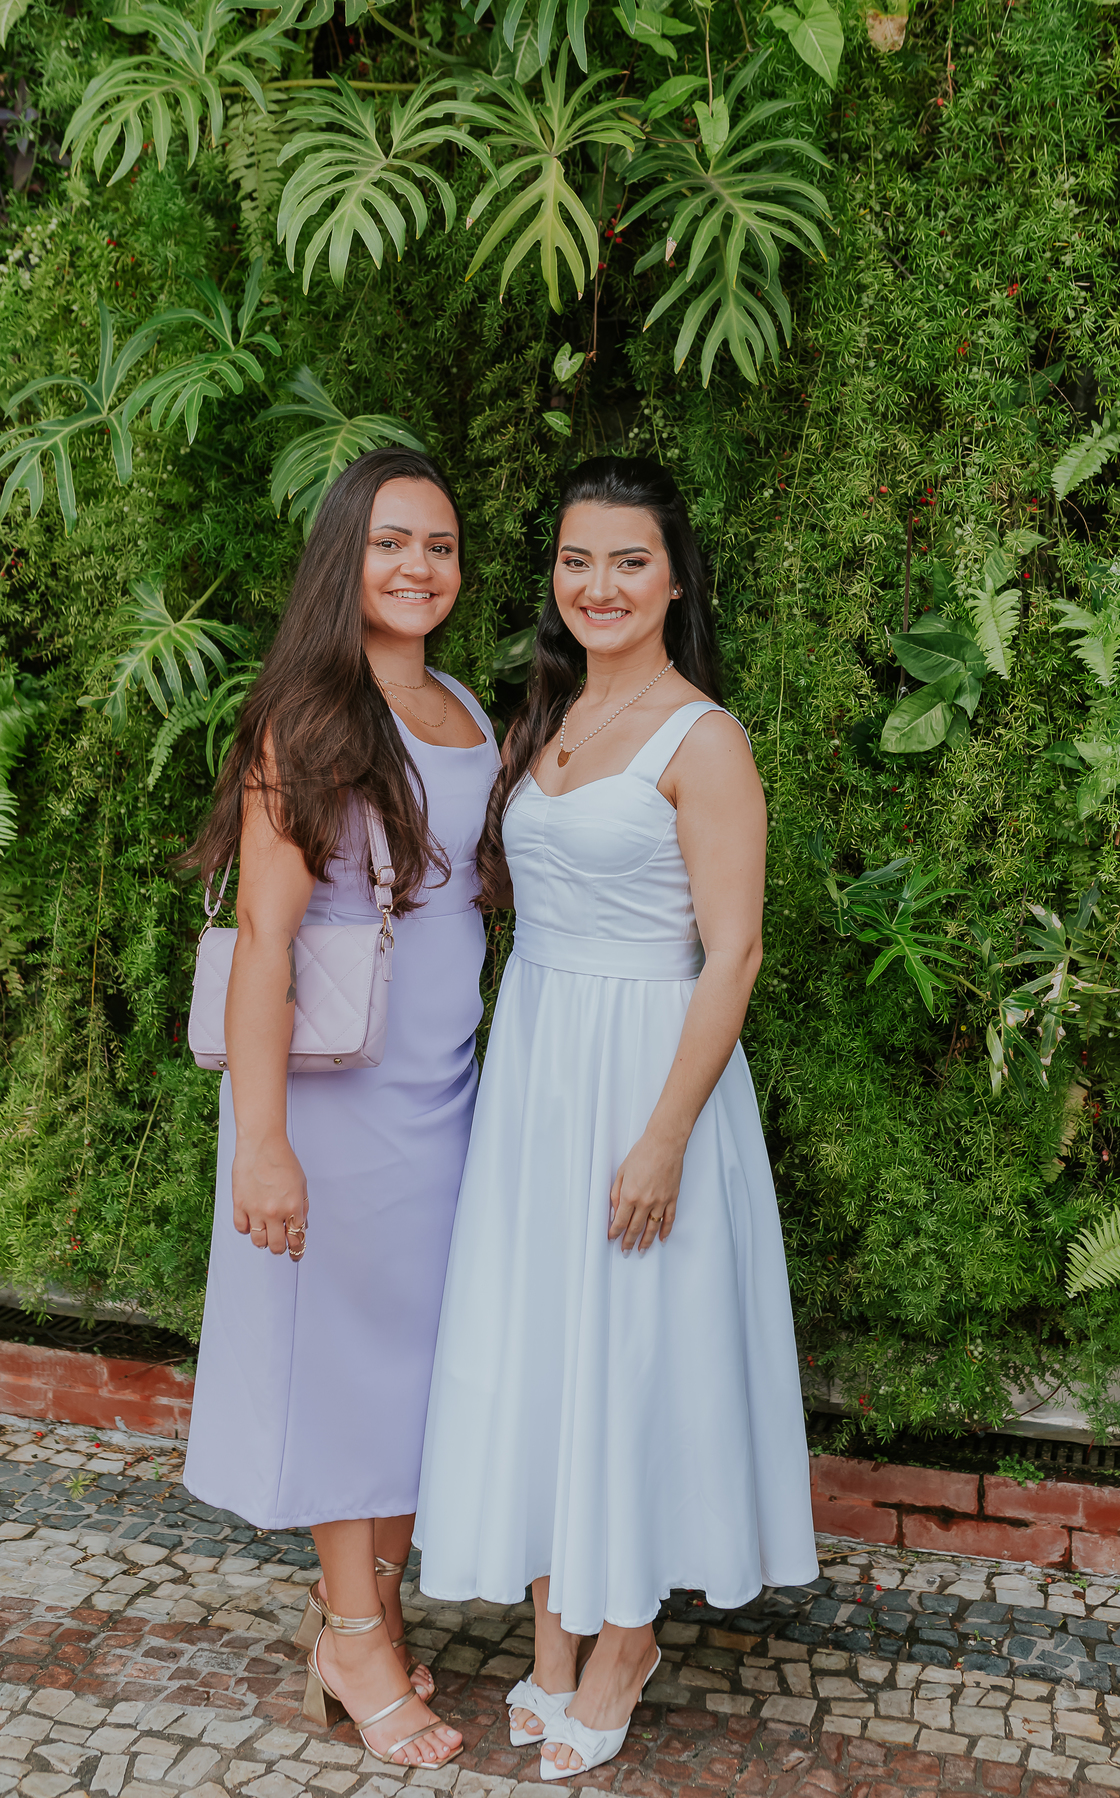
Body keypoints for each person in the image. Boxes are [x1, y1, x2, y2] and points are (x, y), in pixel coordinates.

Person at [415, 455, 817, 1780]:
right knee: (544, 1338)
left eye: (629, 560)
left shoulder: (704, 738)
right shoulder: (544, 721)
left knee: (634, 1344)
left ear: (676, 577)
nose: (600, 584)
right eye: (579, 560)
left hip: (651, 1068)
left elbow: (739, 949)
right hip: (541, 1066)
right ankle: (550, 1630)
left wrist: (660, 1135)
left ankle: (626, 1638)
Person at [183, 448, 499, 1771]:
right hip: (331, 1107)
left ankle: (348, 1615)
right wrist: (263, 1142)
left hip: (443, 1093)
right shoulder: (309, 718)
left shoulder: (463, 704)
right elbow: (264, 938)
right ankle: (358, 1639)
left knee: (415, 1368)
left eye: (437, 543)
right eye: (389, 543)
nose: (416, 565)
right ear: (342, 560)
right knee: (343, 1367)